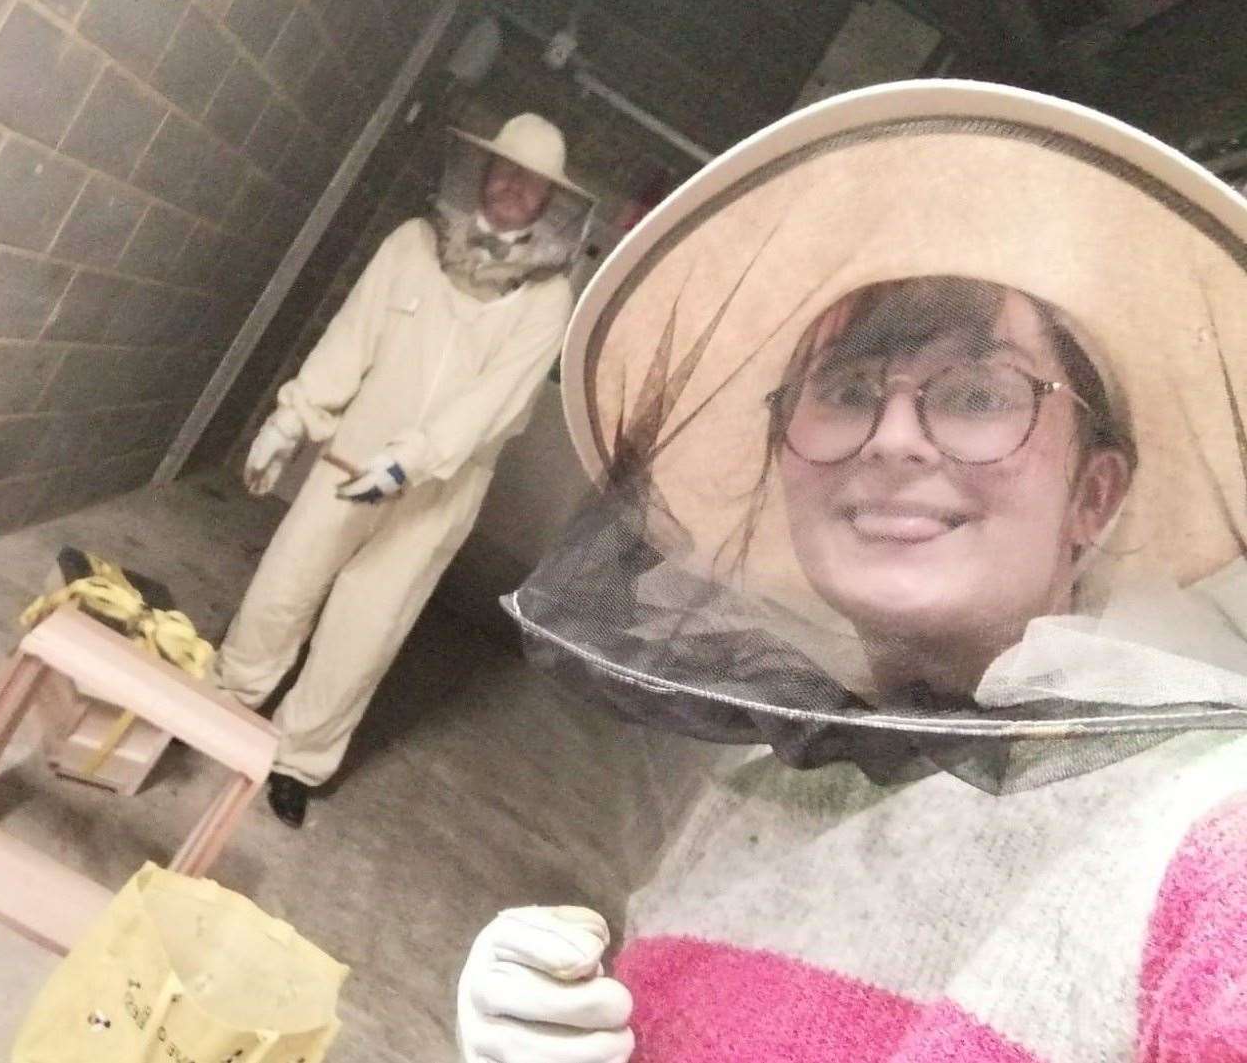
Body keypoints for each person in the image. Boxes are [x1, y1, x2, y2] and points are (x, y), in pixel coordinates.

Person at [456, 81, 1247, 1061]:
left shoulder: (1204, 831)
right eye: (847, 387)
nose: (894, 437)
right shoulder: (773, 774)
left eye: (975, 392)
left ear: (1094, 493)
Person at [216, 113, 595, 827]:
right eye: (505, 169)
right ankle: (226, 700)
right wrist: (291, 418)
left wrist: (412, 460)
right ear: (480, 171)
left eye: (534, 183)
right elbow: (350, 338)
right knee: (284, 582)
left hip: (437, 493)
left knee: (367, 625)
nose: (514, 188)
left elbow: (496, 402)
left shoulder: (547, 299)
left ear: (552, 202)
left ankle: (298, 762)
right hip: (349, 458)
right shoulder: (411, 246)